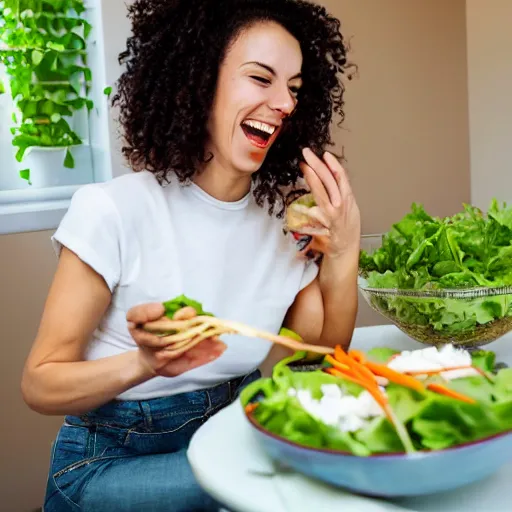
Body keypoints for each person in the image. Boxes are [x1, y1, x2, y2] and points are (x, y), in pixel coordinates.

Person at [21, 0, 361, 510]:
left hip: (233, 436)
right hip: (109, 464)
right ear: (200, 80)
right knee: (294, 482)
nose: (285, 103)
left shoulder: (282, 228)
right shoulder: (114, 210)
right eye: (261, 78)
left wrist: (345, 249)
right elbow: (40, 384)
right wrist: (145, 362)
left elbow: (324, 355)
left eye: (293, 89)